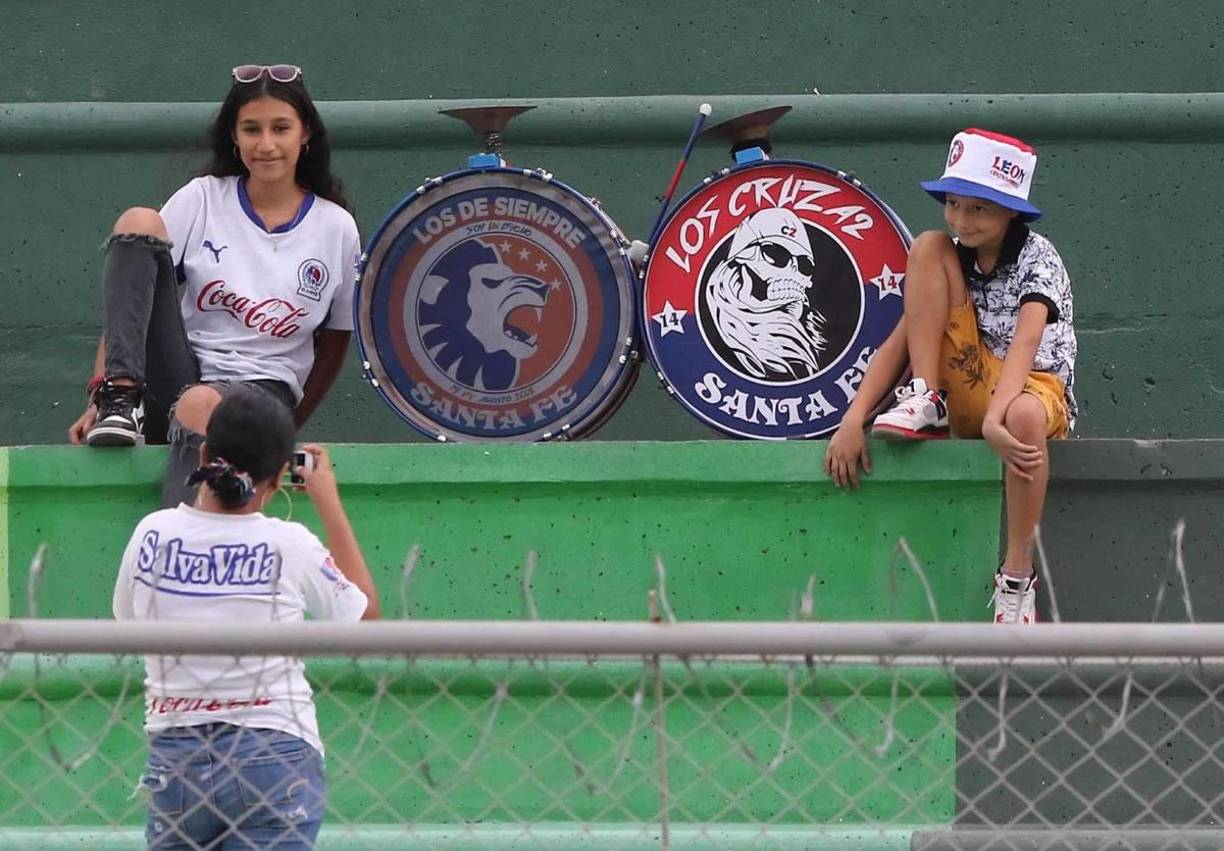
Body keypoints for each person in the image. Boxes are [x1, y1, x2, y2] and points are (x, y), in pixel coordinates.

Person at [68, 63, 359, 509]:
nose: (266, 144)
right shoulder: (202, 197)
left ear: (305, 135)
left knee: (201, 402)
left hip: (263, 393)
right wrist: (98, 392)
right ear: (234, 137)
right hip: (180, 375)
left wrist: (287, 426)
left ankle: (180, 550)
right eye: (251, 129)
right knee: (138, 221)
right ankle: (120, 403)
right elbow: (133, 308)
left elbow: (336, 342)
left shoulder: (335, 227)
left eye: (280, 128)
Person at [823, 128, 1077, 625]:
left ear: (1011, 211)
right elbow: (897, 343)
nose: (962, 219)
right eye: (954, 203)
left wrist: (995, 419)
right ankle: (925, 399)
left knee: (1024, 414)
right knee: (927, 245)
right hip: (966, 384)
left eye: (979, 209)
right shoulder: (950, 256)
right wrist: (854, 418)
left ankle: (1017, 578)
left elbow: (1026, 345)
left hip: (1028, 386)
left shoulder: (1038, 257)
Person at [113, 386, 380, 849]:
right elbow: (367, 620)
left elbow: (127, 620)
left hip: (177, 759)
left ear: (202, 453)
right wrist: (328, 501)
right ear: (278, 477)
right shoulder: (290, 544)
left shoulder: (152, 533)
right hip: (274, 754)